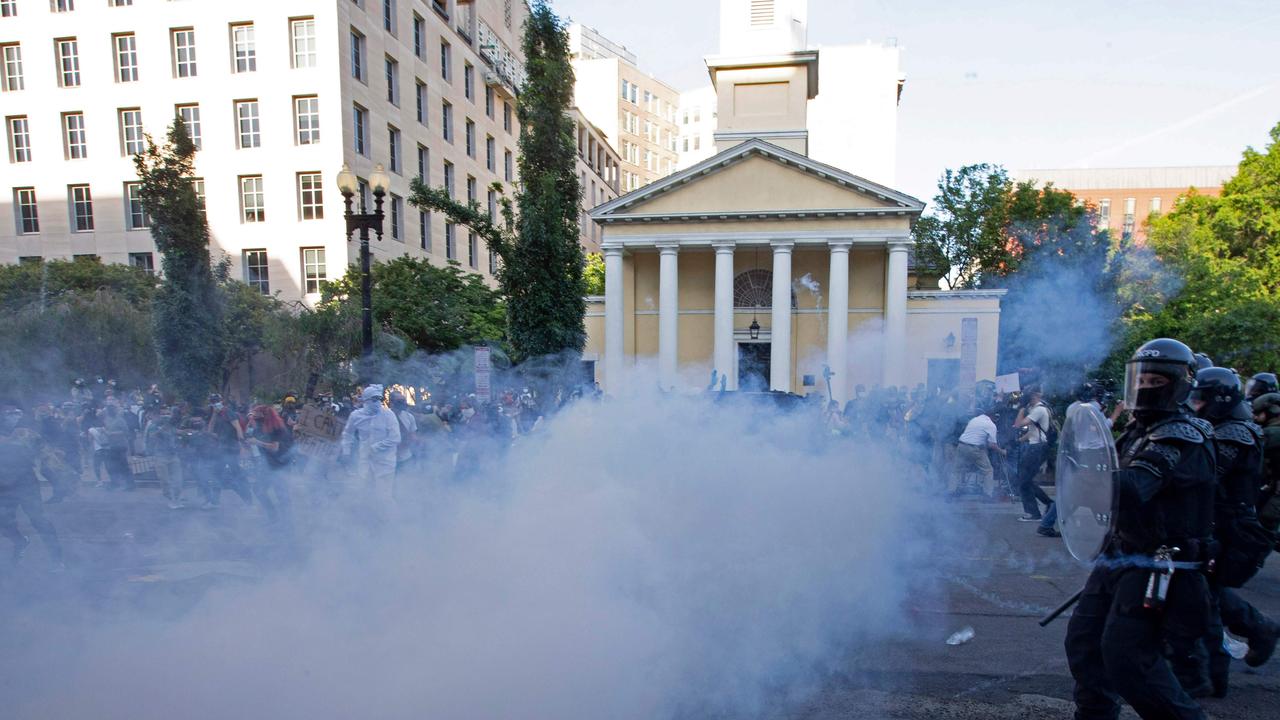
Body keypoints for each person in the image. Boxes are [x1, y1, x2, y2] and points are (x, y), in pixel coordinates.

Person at [1064, 338, 1215, 720]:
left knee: (1129, 659)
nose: (1145, 388)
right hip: (1119, 554)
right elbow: (1096, 484)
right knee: (1084, 644)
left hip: (1159, 562)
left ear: (1180, 382)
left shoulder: (1181, 435)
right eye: (1140, 379)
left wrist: (1088, 474)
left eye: (1156, 381)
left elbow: (1131, 488)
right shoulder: (1138, 431)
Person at [1169, 367, 1280, 697]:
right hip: (1215, 523)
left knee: (1203, 597)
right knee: (1206, 592)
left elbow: (1205, 475)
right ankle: (1257, 630)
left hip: (1229, 528)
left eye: (1201, 400)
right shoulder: (1229, 427)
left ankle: (1209, 676)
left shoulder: (1235, 434)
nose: (1196, 406)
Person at [0, 406, 63, 569]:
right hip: (3, 485)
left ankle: (57, 560)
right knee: (3, 521)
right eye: (9, 414)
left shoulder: (27, 434)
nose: (12, 417)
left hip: (25, 483)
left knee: (39, 520)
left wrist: (60, 477)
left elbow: (48, 455)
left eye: (15, 414)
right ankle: (19, 541)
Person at [340, 385, 400, 500]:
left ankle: (391, 517)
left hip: (385, 463)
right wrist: (346, 451)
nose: (377, 402)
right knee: (364, 493)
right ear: (366, 400)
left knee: (384, 496)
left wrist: (375, 448)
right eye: (374, 399)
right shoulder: (356, 416)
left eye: (379, 399)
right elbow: (347, 434)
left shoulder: (388, 415)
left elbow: (395, 438)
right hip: (365, 461)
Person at [245, 405, 293, 524]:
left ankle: (287, 521)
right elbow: (250, 438)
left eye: (256, 414)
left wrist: (257, 442)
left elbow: (274, 448)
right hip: (268, 465)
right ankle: (273, 515)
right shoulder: (259, 427)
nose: (254, 416)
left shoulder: (277, 428)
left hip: (280, 464)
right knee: (258, 489)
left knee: (281, 493)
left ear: (264, 415)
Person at [1012, 386, 1055, 521]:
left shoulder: (1039, 410)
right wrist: (1019, 440)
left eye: (1028, 396)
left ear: (1035, 396)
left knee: (1024, 481)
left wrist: (1021, 409)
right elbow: (1032, 432)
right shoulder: (1037, 410)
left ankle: (1034, 513)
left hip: (1037, 448)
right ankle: (1049, 504)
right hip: (1035, 447)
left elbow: (1018, 424)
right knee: (1026, 480)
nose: (1026, 398)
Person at [948, 406, 1005, 499]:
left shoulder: (974, 419)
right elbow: (992, 445)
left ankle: (951, 492)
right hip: (974, 449)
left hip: (961, 446)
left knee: (956, 470)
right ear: (992, 416)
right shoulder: (991, 425)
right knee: (988, 471)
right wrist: (1002, 451)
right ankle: (987, 494)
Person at [206, 394, 251, 507]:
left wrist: (241, 447)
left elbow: (238, 428)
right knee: (217, 474)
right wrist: (214, 415)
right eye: (213, 401)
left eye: (216, 401)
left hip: (232, 449)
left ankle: (248, 499)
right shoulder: (217, 414)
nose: (215, 403)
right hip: (222, 449)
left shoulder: (228, 412)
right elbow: (210, 430)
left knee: (237, 475)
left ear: (221, 401)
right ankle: (215, 501)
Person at [145, 407, 185, 509]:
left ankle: (176, 499)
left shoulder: (170, 425)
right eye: (163, 414)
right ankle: (171, 499)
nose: (166, 416)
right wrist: (162, 429)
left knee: (178, 480)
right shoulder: (153, 426)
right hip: (160, 456)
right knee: (165, 480)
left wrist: (186, 432)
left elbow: (176, 432)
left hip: (173, 455)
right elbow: (152, 437)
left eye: (168, 413)